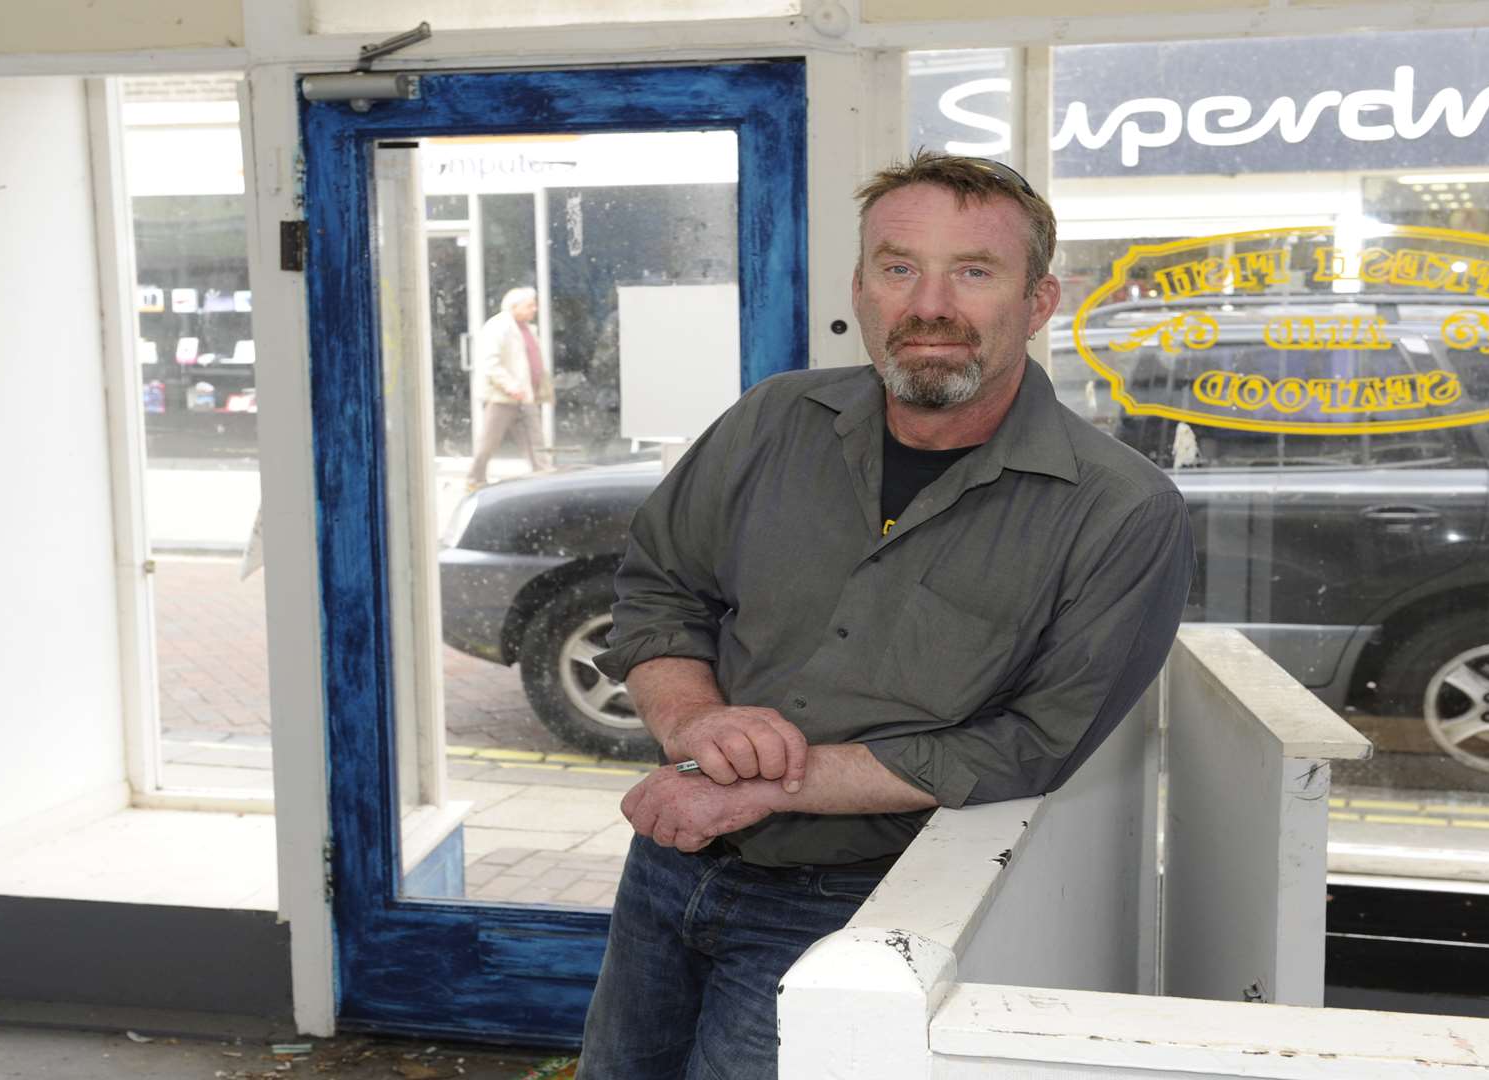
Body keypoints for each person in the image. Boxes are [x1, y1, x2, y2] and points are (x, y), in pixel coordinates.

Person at [575, 151, 1195, 1080]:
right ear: (861, 290)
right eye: (899, 267)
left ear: (1038, 302)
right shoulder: (771, 420)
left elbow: (1032, 743)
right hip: (670, 862)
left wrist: (774, 783)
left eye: (974, 272)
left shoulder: (1121, 511)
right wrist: (693, 721)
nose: (929, 304)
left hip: (861, 905)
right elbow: (661, 585)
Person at [466, 286, 553, 490]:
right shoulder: (498, 327)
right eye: (529, 305)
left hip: (525, 396)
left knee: (535, 439)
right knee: (489, 441)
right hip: (503, 398)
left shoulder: (528, 329)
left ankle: (544, 476)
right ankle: (474, 478)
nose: (535, 309)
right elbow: (490, 363)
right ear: (514, 307)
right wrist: (510, 386)